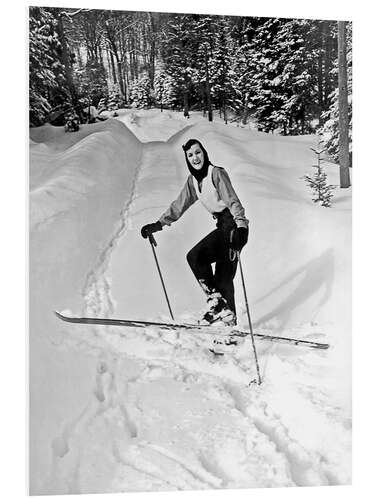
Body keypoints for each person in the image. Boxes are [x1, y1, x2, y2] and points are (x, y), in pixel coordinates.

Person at [141, 139, 249, 326]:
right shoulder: (193, 181)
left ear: (204, 153)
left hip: (232, 228)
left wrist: (241, 227)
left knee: (212, 270)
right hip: (222, 227)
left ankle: (225, 318)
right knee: (207, 267)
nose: (195, 157)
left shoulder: (216, 173)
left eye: (198, 152)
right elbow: (179, 205)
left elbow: (233, 202)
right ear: (187, 159)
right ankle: (221, 310)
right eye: (190, 155)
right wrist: (158, 225)